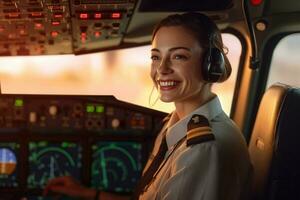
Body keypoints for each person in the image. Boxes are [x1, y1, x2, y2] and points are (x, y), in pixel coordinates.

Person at [44, 12, 252, 200]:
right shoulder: (173, 127)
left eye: (179, 56)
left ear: (211, 64)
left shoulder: (203, 149)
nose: (162, 68)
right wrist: (88, 194)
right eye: (156, 57)